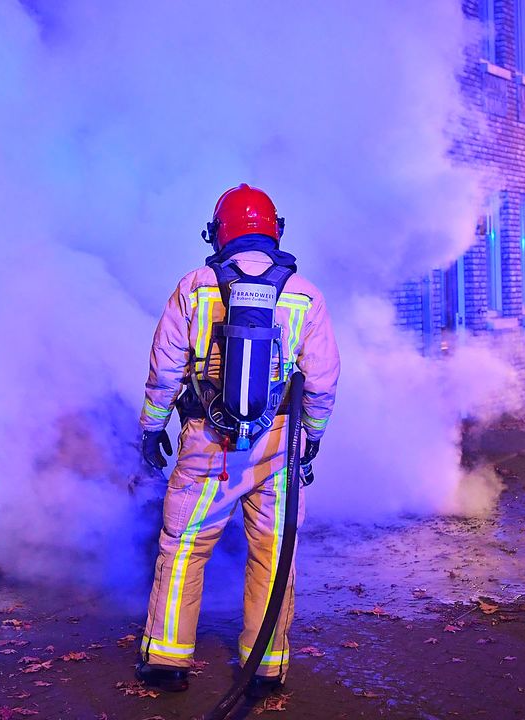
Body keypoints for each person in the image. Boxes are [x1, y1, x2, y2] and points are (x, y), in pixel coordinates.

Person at [135, 184, 340, 697]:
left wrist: (152, 426)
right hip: (277, 447)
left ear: (218, 231)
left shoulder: (196, 287)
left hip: (210, 442)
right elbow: (322, 379)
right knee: (273, 550)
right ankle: (266, 665)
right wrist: (310, 437)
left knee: (184, 546)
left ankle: (166, 659)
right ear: (275, 229)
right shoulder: (304, 295)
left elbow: (165, 367)